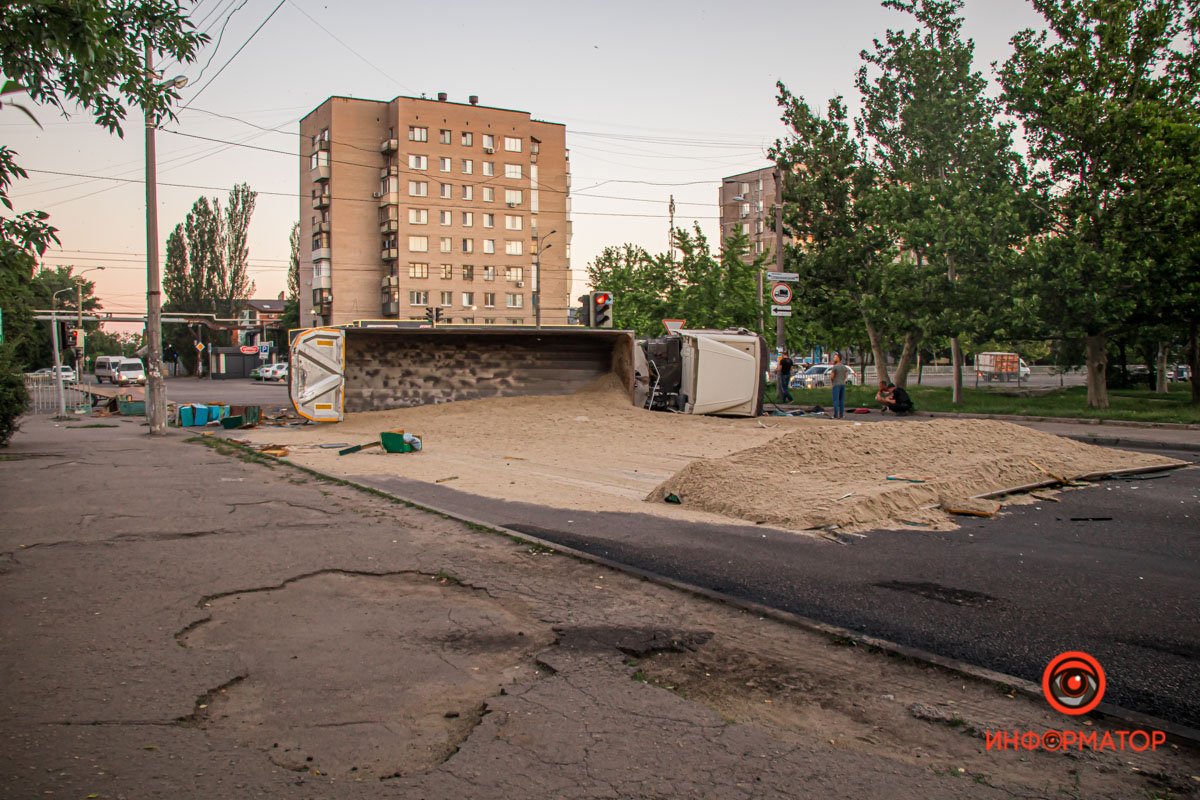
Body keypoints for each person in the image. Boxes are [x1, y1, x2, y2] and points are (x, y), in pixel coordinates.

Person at [828, 353, 851, 419]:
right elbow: (845, 376)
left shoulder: (835, 367)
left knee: (835, 400)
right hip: (842, 384)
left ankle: (835, 415)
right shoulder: (844, 367)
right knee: (841, 400)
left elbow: (832, 377)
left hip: (836, 384)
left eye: (835, 357)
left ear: (838, 358)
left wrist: (832, 382)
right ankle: (841, 415)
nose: (834, 358)